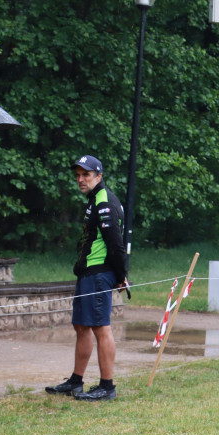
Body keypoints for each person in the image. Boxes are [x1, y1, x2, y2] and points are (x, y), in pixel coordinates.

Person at [45, 155, 127, 401]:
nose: (80, 179)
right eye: (78, 175)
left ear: (99, 176)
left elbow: (116, 244)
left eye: (86, 175)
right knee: (81, 326)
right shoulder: (94, 200)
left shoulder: (105, 203)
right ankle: (75, 382)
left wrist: (122, 275)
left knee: (101, 328)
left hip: (99, 273)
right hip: (87, 272)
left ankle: (107, 386)